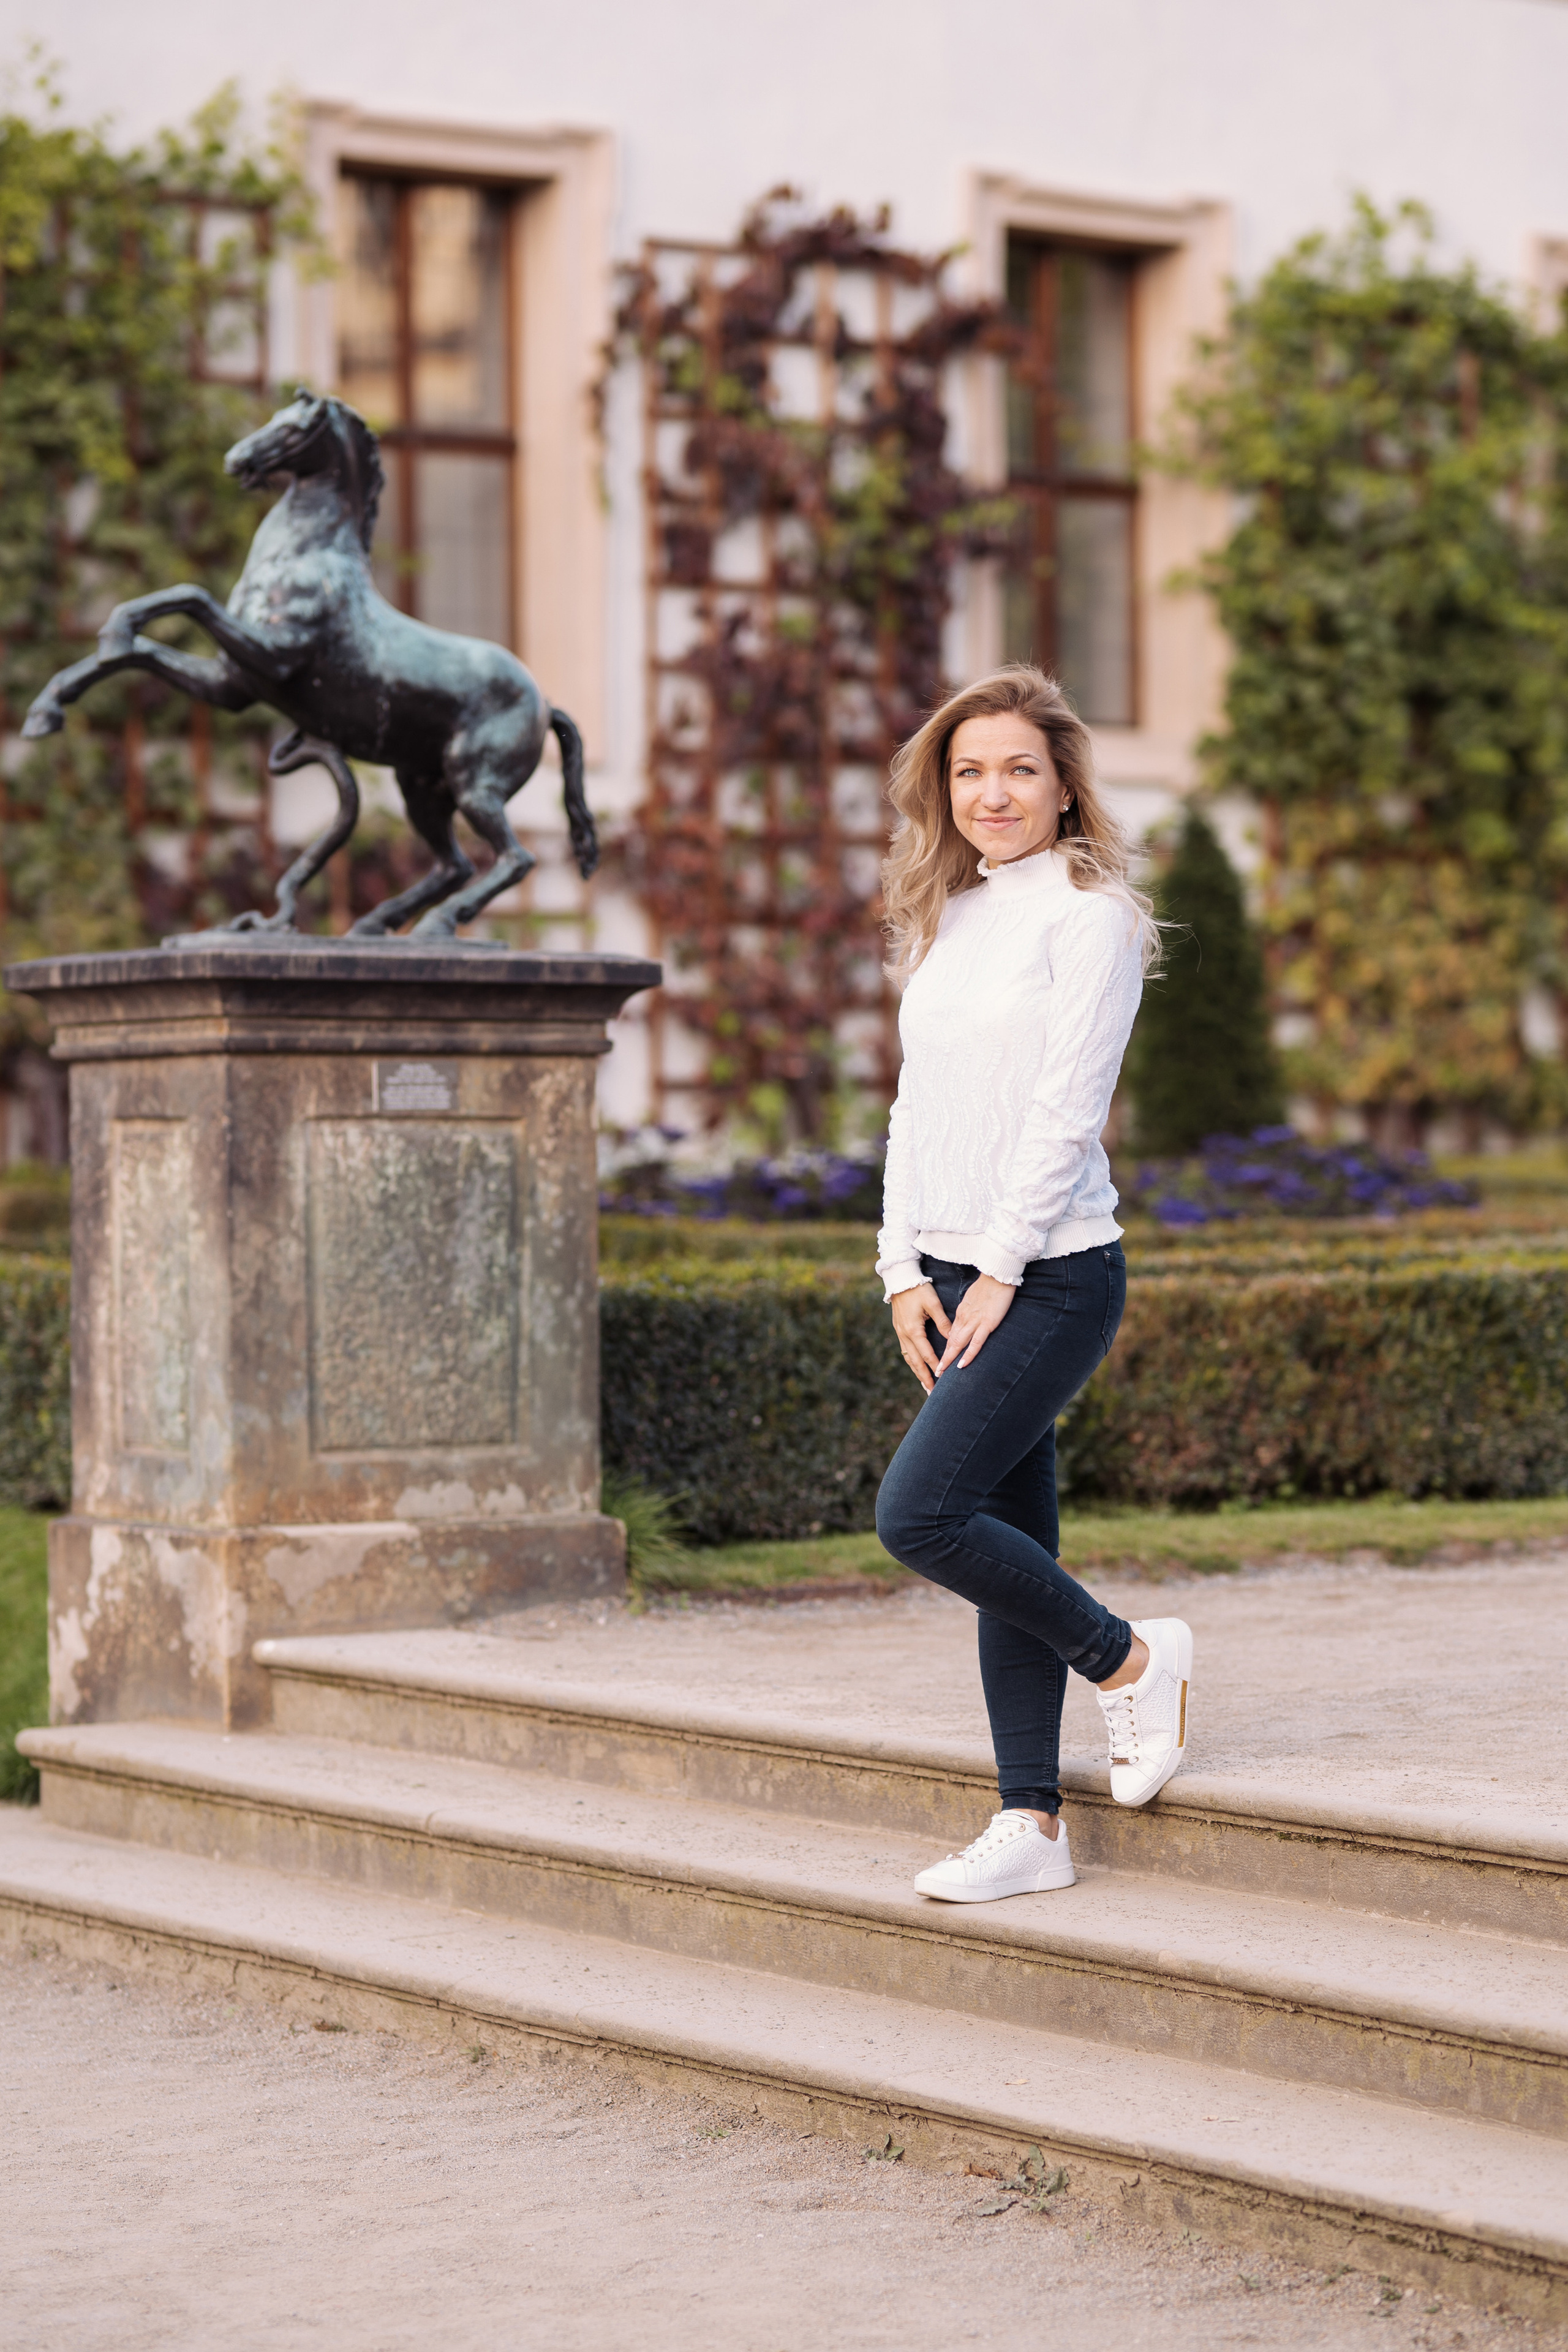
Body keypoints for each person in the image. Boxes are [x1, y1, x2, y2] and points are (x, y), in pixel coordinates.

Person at [873, 665, 1192, 1904]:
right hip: (953, 1271)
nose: (990, 793)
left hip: (1049, 1273)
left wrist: (998, 1266)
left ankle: (1126, 1664)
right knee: (1001, 1528)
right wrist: (903, 1267)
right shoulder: (951, 916)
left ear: (1063, 787)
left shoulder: (1086, 912)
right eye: (967, 771)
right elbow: (917, 1107)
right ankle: (1031, 1826)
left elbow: (1066, 1111)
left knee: (922, 1516)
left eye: (1017, 769)